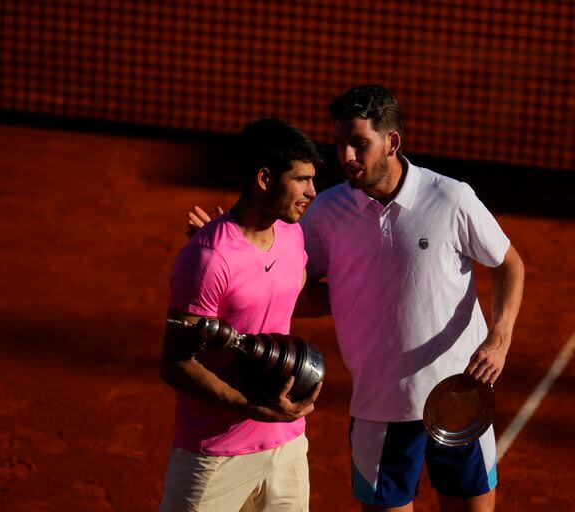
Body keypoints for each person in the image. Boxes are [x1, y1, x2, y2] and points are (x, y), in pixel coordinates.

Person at [189, 85, 524, 512]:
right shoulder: (326, 214)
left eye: (359, 144)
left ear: (392, 142)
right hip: (379, 408)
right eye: (340, 144)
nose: (346, 156)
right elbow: (292, 291)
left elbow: (508, 263)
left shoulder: (450, 198)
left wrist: (500, 337)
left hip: (459, 396)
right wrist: (232, 257)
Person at [160, 118, 323, 512]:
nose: (312, 192)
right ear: (264, 179)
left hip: (286, 444)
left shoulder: (291, 234)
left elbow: (288, 289)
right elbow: (175, 363)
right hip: (216, 454)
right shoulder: (208, 260)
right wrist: (249, 407)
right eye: (301, 180)